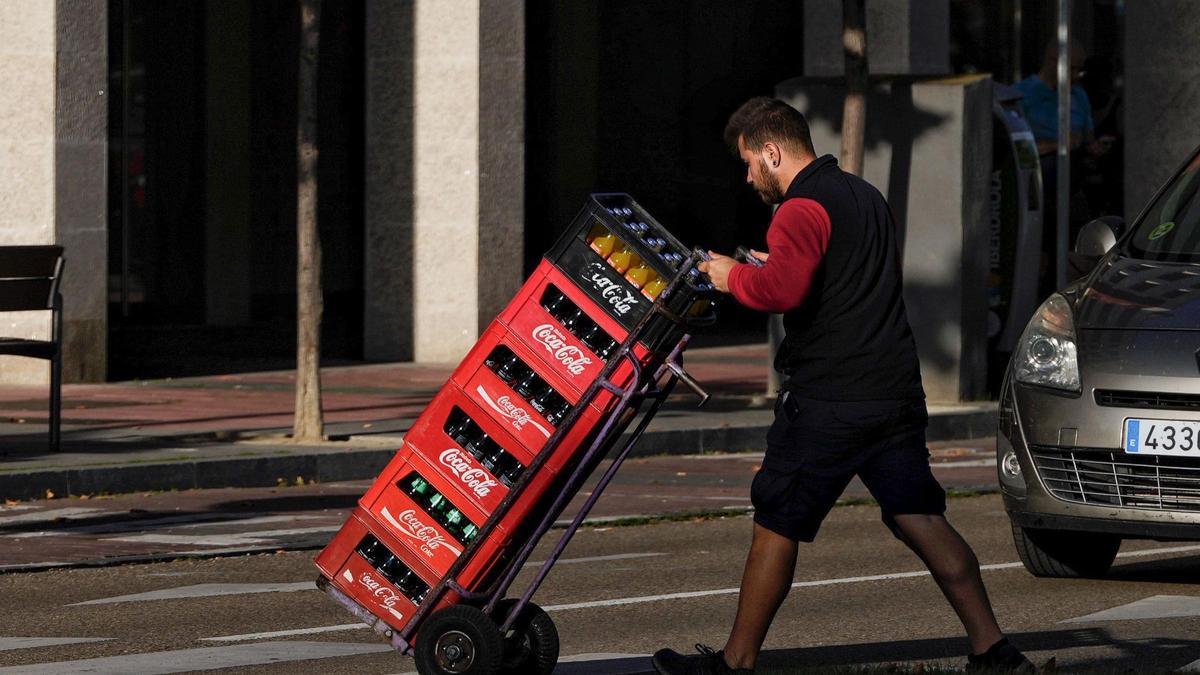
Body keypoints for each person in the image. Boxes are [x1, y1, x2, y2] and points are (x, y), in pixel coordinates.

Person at [651, 97, 1034, 675]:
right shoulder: (864, 195)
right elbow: (835, 274)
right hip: (893, 394)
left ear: (773, 150)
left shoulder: (799, 209)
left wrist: (732, 277)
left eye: (750, 161)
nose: (748, 175)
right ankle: (993, 649)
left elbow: (783, 293)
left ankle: (735, 663)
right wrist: (768, 264)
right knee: (919, 515)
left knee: (777, 520)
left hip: (830, 399)